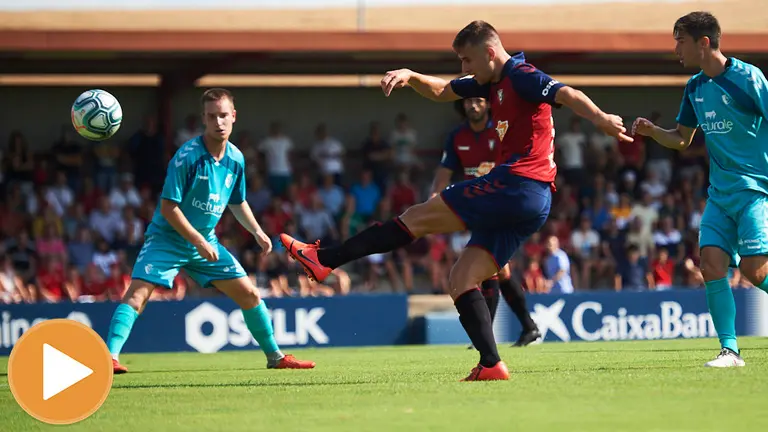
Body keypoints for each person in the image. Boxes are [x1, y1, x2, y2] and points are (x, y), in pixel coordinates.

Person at [281, 20, 630, 381]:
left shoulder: (521, 75)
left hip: (517, 184)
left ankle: (324, 259)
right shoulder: (490, 82)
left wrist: (601, 118)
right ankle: (491, 364)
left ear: (489, 52)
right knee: (461, 278)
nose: (464, 68)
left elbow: (566, 93)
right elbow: (442, 90)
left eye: (467, 60)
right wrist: (410, 75)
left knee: (416, 217)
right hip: (534, 200)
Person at [106, 88, 315, 374]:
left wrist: (256, 231)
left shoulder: (236, 158)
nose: (219, 122)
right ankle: (109, 357)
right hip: (168, 239)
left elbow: (237, 201)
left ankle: (275, 357)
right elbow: (168, 207)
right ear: (204, 118)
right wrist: (196, 240)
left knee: (250, 294)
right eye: (212, 116)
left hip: (206, 241)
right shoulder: (187, 157)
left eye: (223, 115)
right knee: (137, 295)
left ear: (234, 116)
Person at [632, 11, 768, 368]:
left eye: (680, 41)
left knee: (755, 271)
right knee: (711, 266)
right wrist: (653, 133)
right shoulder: (695, 87)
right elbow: (681, 139)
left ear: (703, 42)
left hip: (756, 190)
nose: (676, 48)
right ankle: (730, 351)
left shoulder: (749, 79)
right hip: (720, 195)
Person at [434, 96, 541, 347]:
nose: (473, 105)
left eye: (479, 101)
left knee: (491, 267)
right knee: (501, 271)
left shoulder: (500, 130)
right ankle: (529, 327)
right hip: (478, 205)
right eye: (468, 101)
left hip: (503, 202)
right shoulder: (457, 137)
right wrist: (435, 196)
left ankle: (485, 338)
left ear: (488, 104)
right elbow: (444, 171)